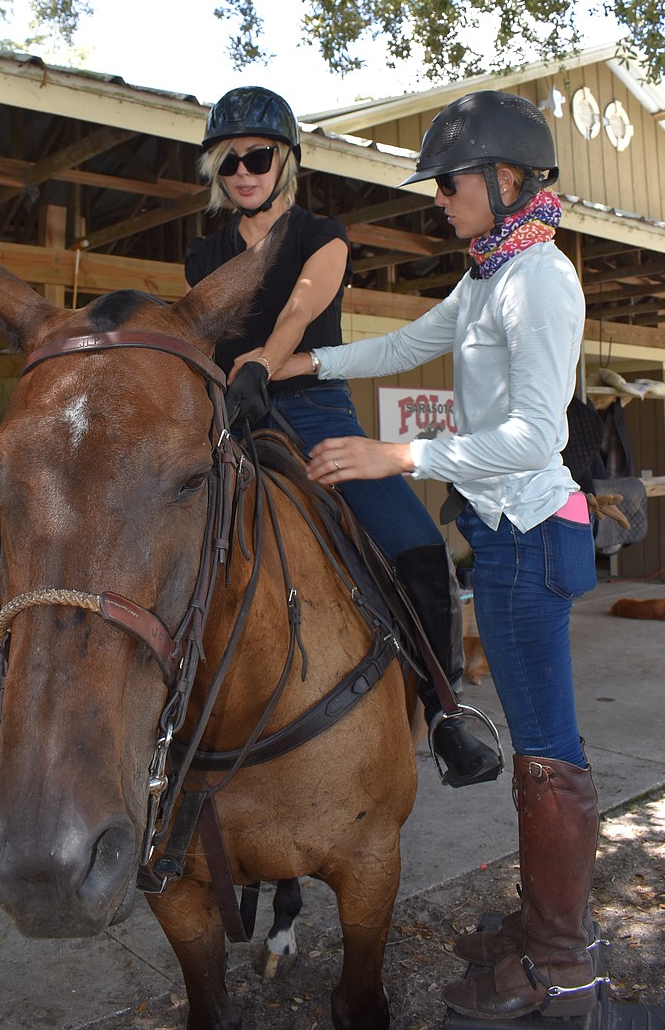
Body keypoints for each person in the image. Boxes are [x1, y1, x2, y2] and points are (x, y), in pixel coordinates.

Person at [277, 89, 604, 1019]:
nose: (438, 195)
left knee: (548, 754)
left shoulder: (540, 278)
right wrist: (310, 365)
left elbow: (537, 434)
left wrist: (399, 456)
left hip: (531, 532)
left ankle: (560, 961)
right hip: (501, 537)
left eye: (450, 181)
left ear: (505, 180)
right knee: (543, 752)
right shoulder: (489, 273)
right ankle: (545, 918)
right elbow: (418, 340)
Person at [185, 85, 502, 789]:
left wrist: (261, 366)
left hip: (317, 411)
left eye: (258, 156)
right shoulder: (202, 253)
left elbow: (299, 310)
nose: (243, 170)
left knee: (416, 543)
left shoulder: (320, 235)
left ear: (285, 161)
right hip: (232, 415)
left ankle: (445, 710)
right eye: (229, 160)